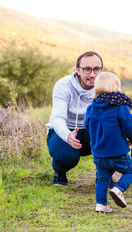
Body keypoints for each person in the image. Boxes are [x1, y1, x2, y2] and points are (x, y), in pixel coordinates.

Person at [46, 51, 115, 186]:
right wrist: (67, 136)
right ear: (78, 70)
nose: (92, 74)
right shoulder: (63, 86)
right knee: (67, 157)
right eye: (87, 69)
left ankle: (104, 175)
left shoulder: (106, 87)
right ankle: (59, 172)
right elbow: (57, 118)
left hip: (91, 131)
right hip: (66, 130)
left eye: (96, 69)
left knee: (113, 135)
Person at [84, 72, 132, 213]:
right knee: (130, 172)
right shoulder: (120, 107)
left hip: (99, 153)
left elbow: (87, 125)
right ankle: (118, 189)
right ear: (116, 88)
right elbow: (130, 127)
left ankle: (101, 205)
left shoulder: (91, 107)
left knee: (102, 178)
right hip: (117, 152)